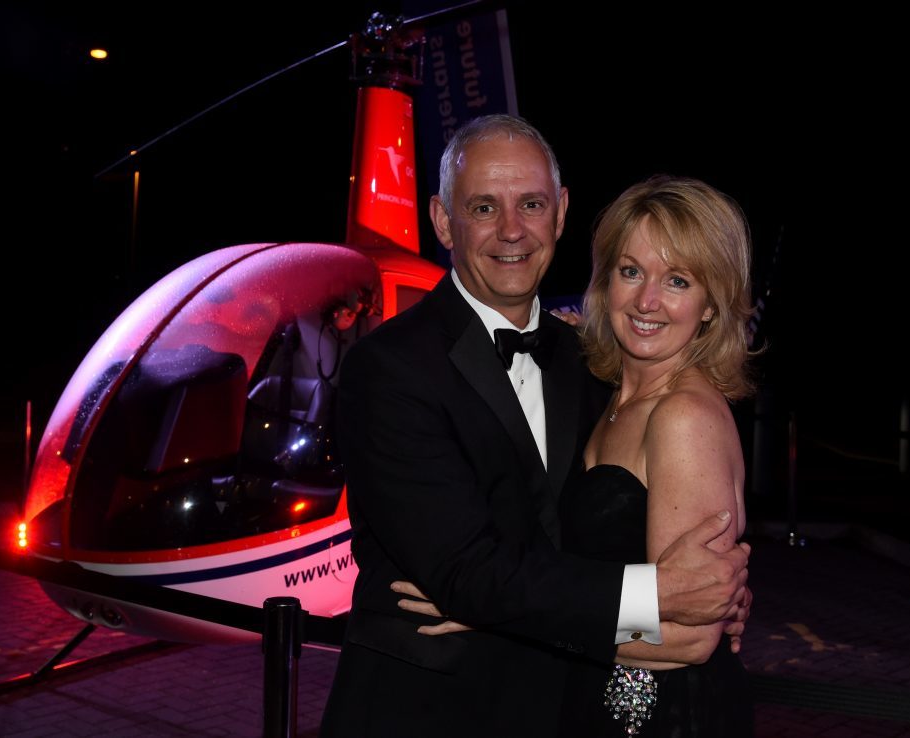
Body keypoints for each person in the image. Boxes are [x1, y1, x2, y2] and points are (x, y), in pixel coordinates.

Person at [319, 115, 750, 738]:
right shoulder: (388, 370)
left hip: (572, 709)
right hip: (426, 713)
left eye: (531, 204)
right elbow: (466, 574)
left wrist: (719, 592)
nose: (513, 230)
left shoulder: (592, 365)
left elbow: (634, 551)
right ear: (443, 220)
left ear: (561, 212)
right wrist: (660, 598)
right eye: (485, 207)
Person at [558, 175, 756, 736]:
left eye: (677, 280)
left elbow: (691, 634)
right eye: (630, 271)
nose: (647, 301)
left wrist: (519, 617)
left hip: (661, 716)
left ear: (712, 305)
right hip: (592, 698)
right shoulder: (611, 397)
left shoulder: (683, 416)